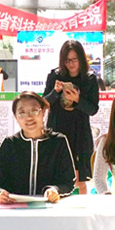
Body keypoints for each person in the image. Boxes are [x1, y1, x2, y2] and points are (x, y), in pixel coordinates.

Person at [0, 91, 76, 203]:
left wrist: (54, 190)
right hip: (15, 206)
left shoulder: (58, 142)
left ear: (43, 112)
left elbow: (68, 182)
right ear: (16, 117)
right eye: (22, 113)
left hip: (48, 207)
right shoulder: (9, 144)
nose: (29, 117)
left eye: (34, 111)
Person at [42, 40, 99, 194]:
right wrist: (55, 92)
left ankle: (82, 207)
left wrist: (77, 100)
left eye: (74, 59)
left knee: (80, 180)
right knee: (55, 177)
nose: (71, 64)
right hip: (57, 130)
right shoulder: (55, 76)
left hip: (79, 133)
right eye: (67, 60)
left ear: (81, 59)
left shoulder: (89, 79)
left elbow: (93, 109)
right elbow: (44, 103)